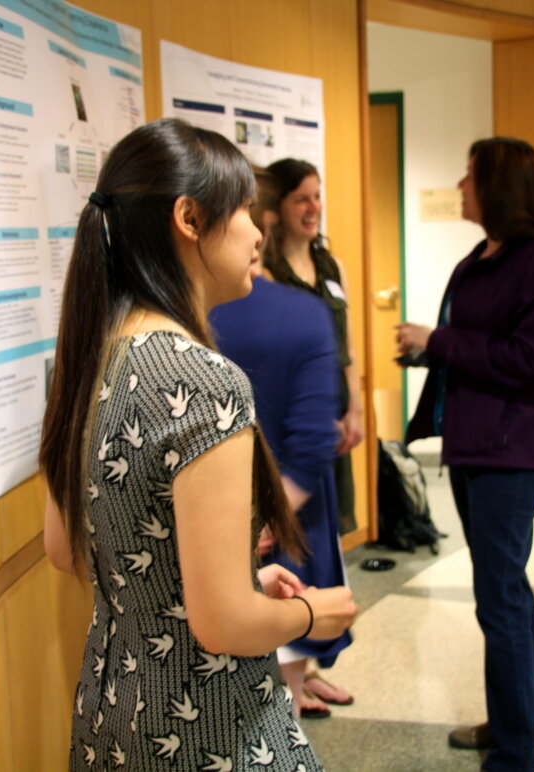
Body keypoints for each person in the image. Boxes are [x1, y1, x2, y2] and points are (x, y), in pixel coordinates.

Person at [39, 118, 357, 771]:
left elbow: (65, 546)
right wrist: (309, 613)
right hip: (208, 727)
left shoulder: (90, 355)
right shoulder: (203, 380)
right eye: (241, 209)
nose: (255, 228)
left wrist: (229, 578)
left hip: (113, 711)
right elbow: (224, 626)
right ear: (188, 218)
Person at [396, 137, 534, 771]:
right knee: (507, 589)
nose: (460, 183)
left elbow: (533, 362)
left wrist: (440, 340)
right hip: (477, 441)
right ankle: (527, 723)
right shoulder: (485, 253)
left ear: (500, 186)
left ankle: (513, 755)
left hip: (514, 448)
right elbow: (485, 340)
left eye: (470, 175)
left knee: (496, 595)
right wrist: (429, 349)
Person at [210, 167, 354, 721]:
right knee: (274, 694)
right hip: (281, 508)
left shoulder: (167, 325)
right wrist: (267, 520)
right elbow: (315, 441)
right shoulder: (300, 314)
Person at [263, 158, 364, 537]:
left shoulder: (332, 266)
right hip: (294, 418)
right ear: (277, 208)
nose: (313, 208)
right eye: (301, 199)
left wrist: (354, 408)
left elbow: (347, 345)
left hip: (335, 414)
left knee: (331, 525)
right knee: (295, 527)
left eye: (317, 197)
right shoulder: (267, 271)